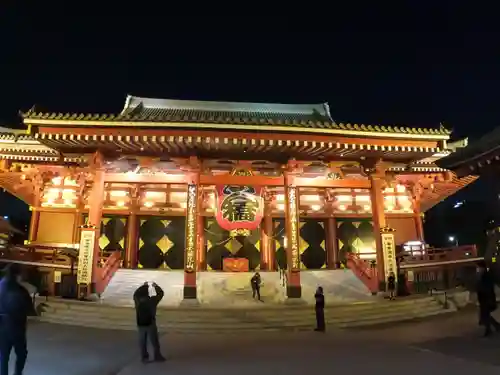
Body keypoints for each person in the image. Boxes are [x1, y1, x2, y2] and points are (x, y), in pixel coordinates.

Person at [0, 263, 37, 375]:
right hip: (16, 326)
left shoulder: (1, 286)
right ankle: (17, 373)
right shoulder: (20, 291)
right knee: (21, 353)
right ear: (18, 275)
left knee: (3, 355)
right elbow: (29, 310)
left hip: (1, 325)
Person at [133, 282, 166, 363]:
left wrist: (144, 286)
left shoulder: (137, 300)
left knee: (142, 342)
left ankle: (144, 357)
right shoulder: (152, 300)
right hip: (150, 323)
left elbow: (135, 293)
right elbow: (161, 293)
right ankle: (157, 356)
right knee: (154, 341)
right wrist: (155, 286)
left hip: (140, 324)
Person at [476, 261, 500, 336]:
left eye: (479, 267)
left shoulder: (486, 276)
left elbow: (487, 287)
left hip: (487, 299)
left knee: (485, 315)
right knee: (486, 315)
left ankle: (491, 329)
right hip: (485, 299)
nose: (478, 269)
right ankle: (494, 327)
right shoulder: (483, 275)